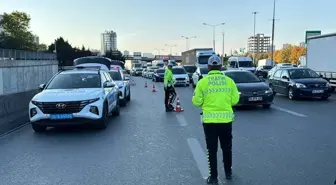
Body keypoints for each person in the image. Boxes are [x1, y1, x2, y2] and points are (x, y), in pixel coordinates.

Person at [192, 55, 240, 184]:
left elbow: (197, 102)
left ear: (208, 67)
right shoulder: (229, 81)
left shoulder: (202, 82)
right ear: (220, 67)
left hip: (210, 123)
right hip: (226, 122)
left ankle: (213, 178)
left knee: (211, 150)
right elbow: (235, 100)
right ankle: (228, 173)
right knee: (227, 148)